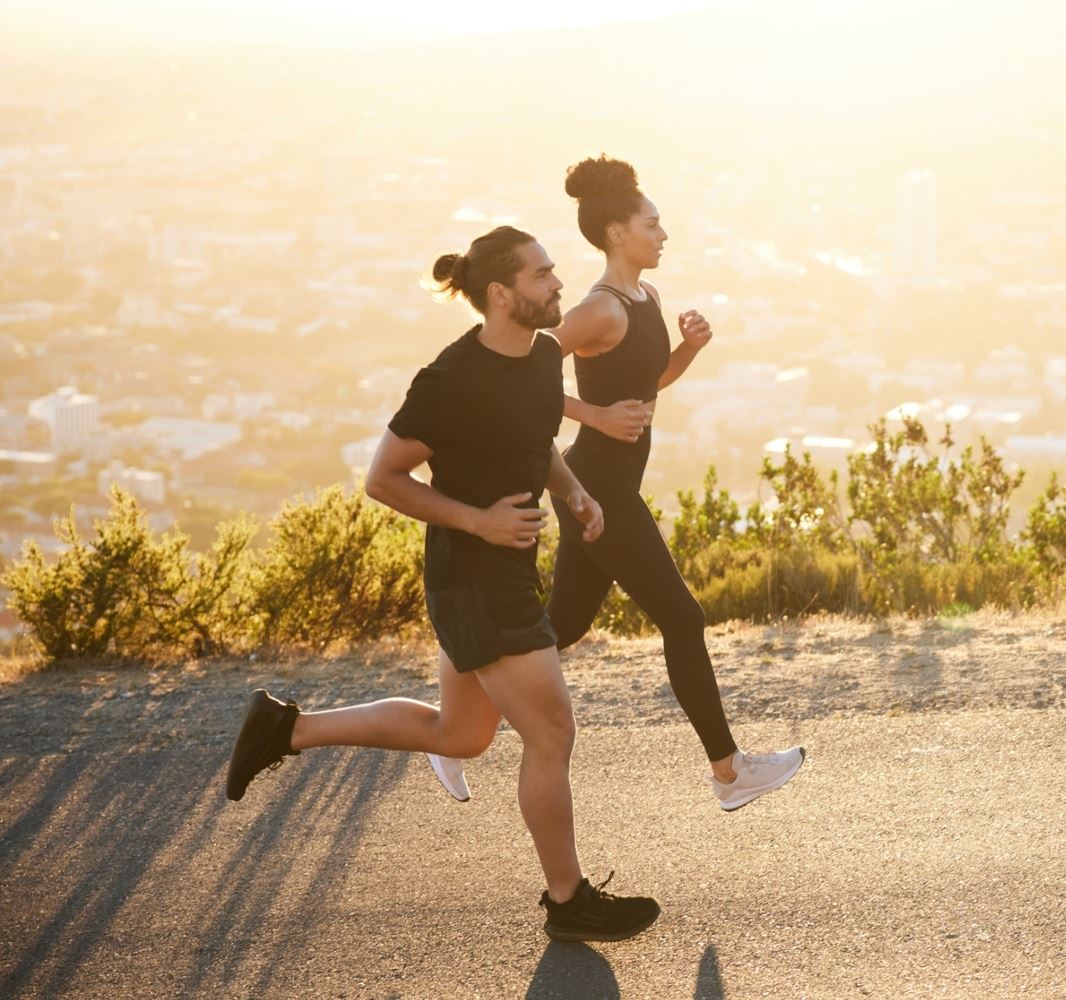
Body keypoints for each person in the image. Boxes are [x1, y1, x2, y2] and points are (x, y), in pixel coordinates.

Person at [224, 225, 659, 943]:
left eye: (554, 272)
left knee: (458, 735)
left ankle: (286, 729)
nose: (557, 285)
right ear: (501, 293)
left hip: (503, 571)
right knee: (551, 731)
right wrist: (478, 522)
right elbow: (382, 478)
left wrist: (576, 493)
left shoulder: (542, 355)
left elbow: (535, 433)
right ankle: (568, 899)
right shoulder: (450, 380)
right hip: (475, 577)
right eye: (543, 275)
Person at [542, 154, 804, 812]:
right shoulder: (598, 309)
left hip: (604, 482)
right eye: (652, 224)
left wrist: (687, 350)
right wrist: (593, 413)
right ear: (616, 234)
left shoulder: (646, 298)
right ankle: (729, 772)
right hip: (597, 486)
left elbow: (645, 383)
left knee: (560, 627)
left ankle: (447, 721)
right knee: (683, 617)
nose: (664, 235)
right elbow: (524, 373)